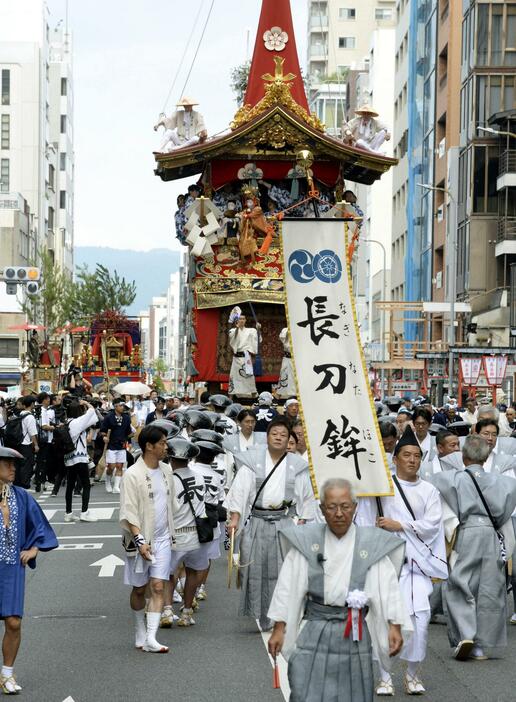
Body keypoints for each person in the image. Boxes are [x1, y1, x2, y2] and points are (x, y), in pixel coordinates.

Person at [267, 478, 410, 702]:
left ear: (355, 507)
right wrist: (279, 628)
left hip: (354, 632)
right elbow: (288, 587)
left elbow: (388, 588)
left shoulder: (370, 544)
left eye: (345, 506)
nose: (339, 513)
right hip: (315, 627)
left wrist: (394, 626)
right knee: (305, 689)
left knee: (353, 693)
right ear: (322, 509)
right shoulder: (307, 542)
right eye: (332, 507)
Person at [357, 426, 447, 695]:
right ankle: (385, 676)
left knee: (420, 619)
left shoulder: (429, 490)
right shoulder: (381, 488)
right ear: (394, 458)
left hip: (416, 565)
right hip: (385, 563)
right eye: (406, 454)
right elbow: (364, 519)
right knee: (384, 619)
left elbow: (432, 524)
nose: (412, 460)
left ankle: (412, 673)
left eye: (417, 455)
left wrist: (400, 525)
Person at [430, 434, 516, 660]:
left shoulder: (451, 479)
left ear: (463, 455)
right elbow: (506, 513)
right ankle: (480, 645)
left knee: (461, 582)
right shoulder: (504, 483)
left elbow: (435, 488)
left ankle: (465, 635)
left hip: (467, 532)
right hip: (491, 534)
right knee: (490, 587)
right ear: (487, 455)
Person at [226, 419, 316, 630]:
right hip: (257, 521)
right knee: (256, 568)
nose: (278, 437)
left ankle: (282, 615)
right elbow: (240, 492)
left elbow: (306, 498)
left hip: (285, 523)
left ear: (289, 441)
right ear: (266, 437)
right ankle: (262, 614)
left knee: (284, 570)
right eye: (274, 433)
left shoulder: (297, 466)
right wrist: (235, 519)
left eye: (283, 435)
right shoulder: (252, 461)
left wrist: (302, 522)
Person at [0, 446, 58, 694]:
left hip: (12, 568)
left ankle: (6, 675)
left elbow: (40, 526)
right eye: (8, 464)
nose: (14, 468)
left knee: (13, 622)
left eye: (15, 465)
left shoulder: (21, 496)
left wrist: (34, 548)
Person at [119, 425, 177, 653]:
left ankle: (152, 638)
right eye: (162, 443)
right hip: (140, 541)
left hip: (163, 539)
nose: (165, 447)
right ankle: (139, 629)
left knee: (158, 586)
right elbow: (129, 511)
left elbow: (172, 505)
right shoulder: (132, 474)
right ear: (149, 446)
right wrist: (141, 541)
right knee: (139, 589)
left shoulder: (167, 471)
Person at [165, 437, 210, 627]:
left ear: (170, 458)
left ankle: (166, 611)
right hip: (197, 533)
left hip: (176, 533)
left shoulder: (169, 479)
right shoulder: (199, 476)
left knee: (169, 573)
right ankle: (186, 612)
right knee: (192, 573)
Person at [63, 399, 98, 523]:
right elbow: (92, 411)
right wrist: (86, 403)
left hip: (69, 457)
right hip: (80, 457)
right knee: (86, 485)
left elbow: (93, 420)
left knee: (70, 485)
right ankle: (84, 512)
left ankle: (68, 513)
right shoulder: (78, 422)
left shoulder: (67, 422)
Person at [100, 399, 134, 493]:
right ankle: (108, 481)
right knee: (111, 466)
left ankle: (116, 486)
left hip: (122, 444)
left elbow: (128, 432)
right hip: (111, 444)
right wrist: (104, 437)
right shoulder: (108, 417)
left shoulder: (127, 417)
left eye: (123, 405)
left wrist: (130, 440)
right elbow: (103, 430)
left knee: (120, 466)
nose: (123, 407)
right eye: (121, 405)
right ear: (115, 406)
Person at [228, 309, 259, 399]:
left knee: (249, 378)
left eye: (243, 319)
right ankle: (231, 398)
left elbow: (257, 339)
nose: (241, 320)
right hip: (236, 358)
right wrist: (237, 328)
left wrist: (258, 329)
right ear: (237, 320)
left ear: (245, 320)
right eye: (240, 319)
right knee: (233, 377)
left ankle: (254, 397)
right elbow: (233, 338)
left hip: (246, 357)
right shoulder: (233, 330)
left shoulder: (250, 330)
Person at [11, 396, 39, 490]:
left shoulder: (19, 415)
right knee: (26, 466)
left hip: (17, 444)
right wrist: (36, 445)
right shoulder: (30, 417)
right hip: (26, 444)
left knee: (18, 465)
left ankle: (17, 485)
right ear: (31, 404)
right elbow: (32, 433)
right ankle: (24, 486)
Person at [34, 392, 54, 493]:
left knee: (42, 461)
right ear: (44, 400)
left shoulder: (43, 410)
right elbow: (43, 426)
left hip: (45, 439)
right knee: (42, 461)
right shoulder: (42, 411)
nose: (49, 400)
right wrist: (54, 428)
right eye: (48, 398)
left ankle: (40, 481)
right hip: (44, 440)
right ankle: (40, 481)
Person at [276, 328, 296, 399]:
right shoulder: (285, 330)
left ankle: (295, 394)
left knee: (295, 377)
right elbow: (282, 338)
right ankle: (280, 395)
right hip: (287, 357)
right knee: (284, 375)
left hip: (296, 358)